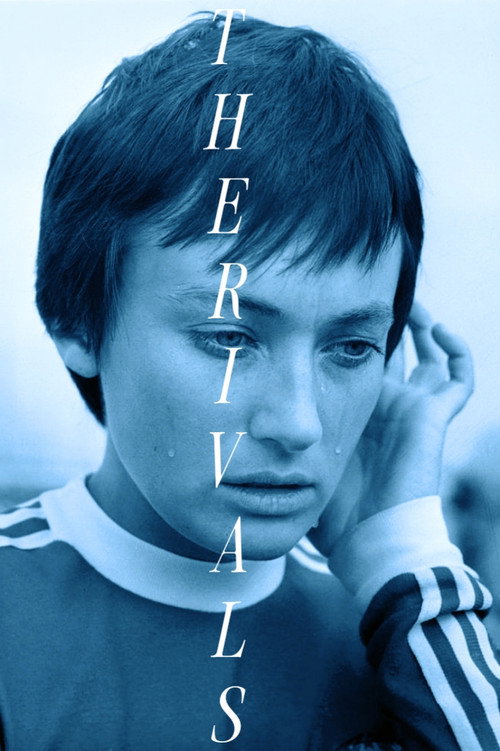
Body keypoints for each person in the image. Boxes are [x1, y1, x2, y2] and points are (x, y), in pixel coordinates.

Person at [1, 12, 499, 751]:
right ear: (78, 319)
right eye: (230, 338)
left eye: (351, 347)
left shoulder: (398, 635)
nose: (299, 423)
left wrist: (400, 548)